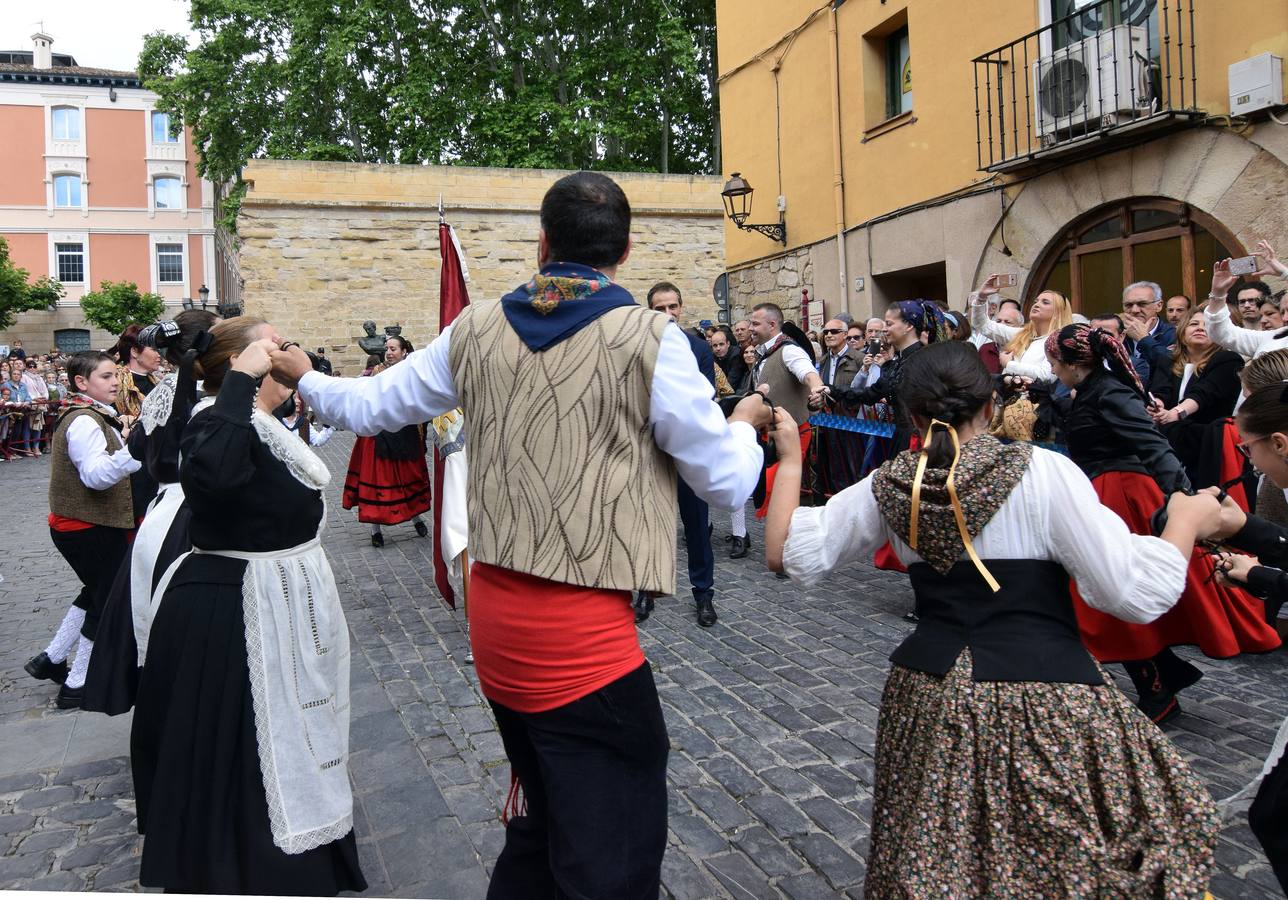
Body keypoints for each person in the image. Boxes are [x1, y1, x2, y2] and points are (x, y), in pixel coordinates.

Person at [272, 170, 768, 898]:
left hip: (496, 622)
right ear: (625, 251)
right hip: (582, 639)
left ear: (542, 243)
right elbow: (725, 482)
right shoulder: (650, 339)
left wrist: (305, 376)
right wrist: (746, 427)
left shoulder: (473, 328)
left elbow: (373, 404)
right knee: (613, 852)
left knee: (543, 815)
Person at [764, 340, 1221, 897]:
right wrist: (1187, 521)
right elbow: (1132, 591)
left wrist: (790, 459)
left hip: (929, 692)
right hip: (1043, 692)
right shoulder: (1045, 472)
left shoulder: (892, 483)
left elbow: (786, 552)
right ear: (989, 407)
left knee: (940, 854)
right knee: (1065, 854)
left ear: (911, 416)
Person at [131, 317, 366, 894]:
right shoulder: (216, 419)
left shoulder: (260, 423)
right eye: (273, 343)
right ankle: (246, 869)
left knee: (281, 735)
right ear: (244, 361)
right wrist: (238, 382)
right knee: (244, 746)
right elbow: (209, 476)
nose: (284, 349)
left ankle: (299, 858)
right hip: (236, 609)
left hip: (282, 597)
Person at [1046, 323, 1279, 723]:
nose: (1053, 372)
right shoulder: (1093, 389)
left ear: (1073, 363)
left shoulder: (1110, 391)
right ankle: (1165, 673)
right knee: (1103, 594)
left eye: (1054, 364)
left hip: (1123, 498)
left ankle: (1158, 689)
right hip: (1105, 495)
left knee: (1109, 596)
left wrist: (1184, 499)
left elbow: (1153, 444)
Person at [82, 310, 220, 716]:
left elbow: (138, 450)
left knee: (150, 612)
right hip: (192, 517)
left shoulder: (162, 393)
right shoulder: (211, 397)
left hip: (161, 518)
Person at [25, 352, 140, 709]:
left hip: (86, 524)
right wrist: (135, 451)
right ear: (81, 382)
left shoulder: (90, 415)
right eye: (105, 377)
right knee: (108, 600)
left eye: (114, 376)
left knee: (96, 592)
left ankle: (52, 658)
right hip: (87, 527)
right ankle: (77, 683)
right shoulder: (85, 421)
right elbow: (94, 476)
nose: (115, 383)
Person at [640, 281, 720, 627]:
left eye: (673, 307)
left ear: (681, 308)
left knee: (697, 526)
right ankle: (645, 588)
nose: (668, 314)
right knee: (648, 525)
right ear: (650, 311)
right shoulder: (640, 345)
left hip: (688, 450)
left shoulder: (698, 347)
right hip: (651, 450)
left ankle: (703, 594)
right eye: (660, 309)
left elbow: (706, 397)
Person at [341, 333, 431, 547]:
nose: (389, 353)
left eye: (393, 349)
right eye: (387, 348)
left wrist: (422, 435)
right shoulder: (377, 372)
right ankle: (375, 529)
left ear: (403, 351)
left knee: (407, 478)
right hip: (379, 433)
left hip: (405, 433)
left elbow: (419, 406)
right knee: (379, 479)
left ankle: (416, 518)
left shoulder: (412, 372)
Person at [1146, 307, 1244, 491]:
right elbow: (1161, 389)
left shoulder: (1229, 360)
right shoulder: (1167, 360)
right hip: (1171, 440)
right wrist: (1157, 404)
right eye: (1194, 324)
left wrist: (1175, 413)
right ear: (1182, 332)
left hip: (1208, 443)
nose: (1200, 328)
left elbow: (1204, 394)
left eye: (1207, 325)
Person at [970, 277, 1071, 383]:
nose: (1036, 305)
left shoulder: (1058, 340)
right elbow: (982, 325)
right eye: (1036, 301)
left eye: (1045, 302)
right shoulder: (1022, 334)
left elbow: (1047, 375)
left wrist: (1009, 365)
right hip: (1008, 396)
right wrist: (981, 297)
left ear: (1058, 312)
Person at [1204, 260, 1288, 359]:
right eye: (1282, 312)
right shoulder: (1272, 337)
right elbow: (1221, 333)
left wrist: (1285, 273)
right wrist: (1218, 292)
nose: (1285, 318)